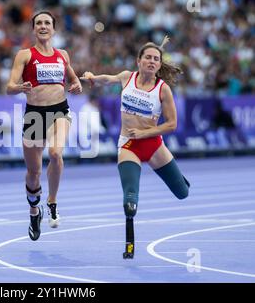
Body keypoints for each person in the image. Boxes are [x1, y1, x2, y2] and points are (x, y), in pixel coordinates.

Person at [81, 36, 190, 259]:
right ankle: (129, 245)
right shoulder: (126, 77)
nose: (151, 61)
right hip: (129, 145)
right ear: (138, 61)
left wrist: (145, 132)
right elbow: (107, 79)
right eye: (148, 57)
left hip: (153, 145)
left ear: (159, 65)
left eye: (156, 59)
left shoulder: (163, 89)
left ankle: (181, 178)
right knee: (130, 199)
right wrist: (93, 78)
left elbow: (172, 124)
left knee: (182, 193)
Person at [7, 11, 82, 241]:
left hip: (59, 110)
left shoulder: (62, 55)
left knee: (56, 153)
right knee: (34, 172)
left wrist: (77, 84)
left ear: (54, 29)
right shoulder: (24, 55)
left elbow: (73, 78)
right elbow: (9, 86)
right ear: (33, 29)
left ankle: (52, 201)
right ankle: (33, 211)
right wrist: (20, 87)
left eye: (47, 23)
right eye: (38, 23)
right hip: (34, 116)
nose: (42, 26)